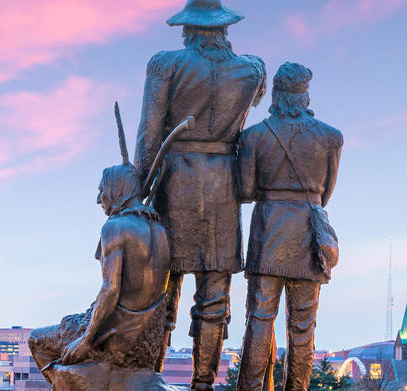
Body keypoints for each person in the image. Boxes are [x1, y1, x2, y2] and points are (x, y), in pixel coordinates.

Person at [133, 1, 266, 388]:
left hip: (175, 182)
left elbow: (149, 132)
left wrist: (137, 193)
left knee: (162, 289)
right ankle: (203, 383)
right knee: (214, 296)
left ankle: (151, 377)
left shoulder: (165, 64)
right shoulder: (253, 68)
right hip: (224, 184)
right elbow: (254, 103)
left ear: (188, 28)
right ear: (224, 28)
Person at [235, 62, 342, 391]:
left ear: (277, 95)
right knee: (303, 327)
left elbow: (245, 191)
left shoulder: (253, 137)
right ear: (305, 95)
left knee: (259, 321)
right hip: (308, 238)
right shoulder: (331, 138)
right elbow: (325, 195)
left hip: (268, 234)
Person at [28, 161, 171, 372]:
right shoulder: (160, 231)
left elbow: (110, 288)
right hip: (147, 343)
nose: (98, 199)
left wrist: (85, 340)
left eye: (102, 191)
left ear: (116, 190)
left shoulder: (115, 227)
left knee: (36, 339)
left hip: (115, 338)